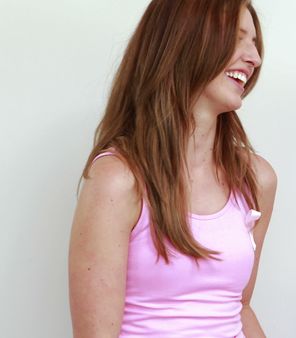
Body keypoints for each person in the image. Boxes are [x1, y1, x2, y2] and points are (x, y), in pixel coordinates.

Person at [68, 1, 276, 337]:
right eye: (238, 38)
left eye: (254, 43)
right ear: (185, 41)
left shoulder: (256, 179)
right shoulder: (119, 180)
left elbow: (239, 307)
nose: (254, 58)